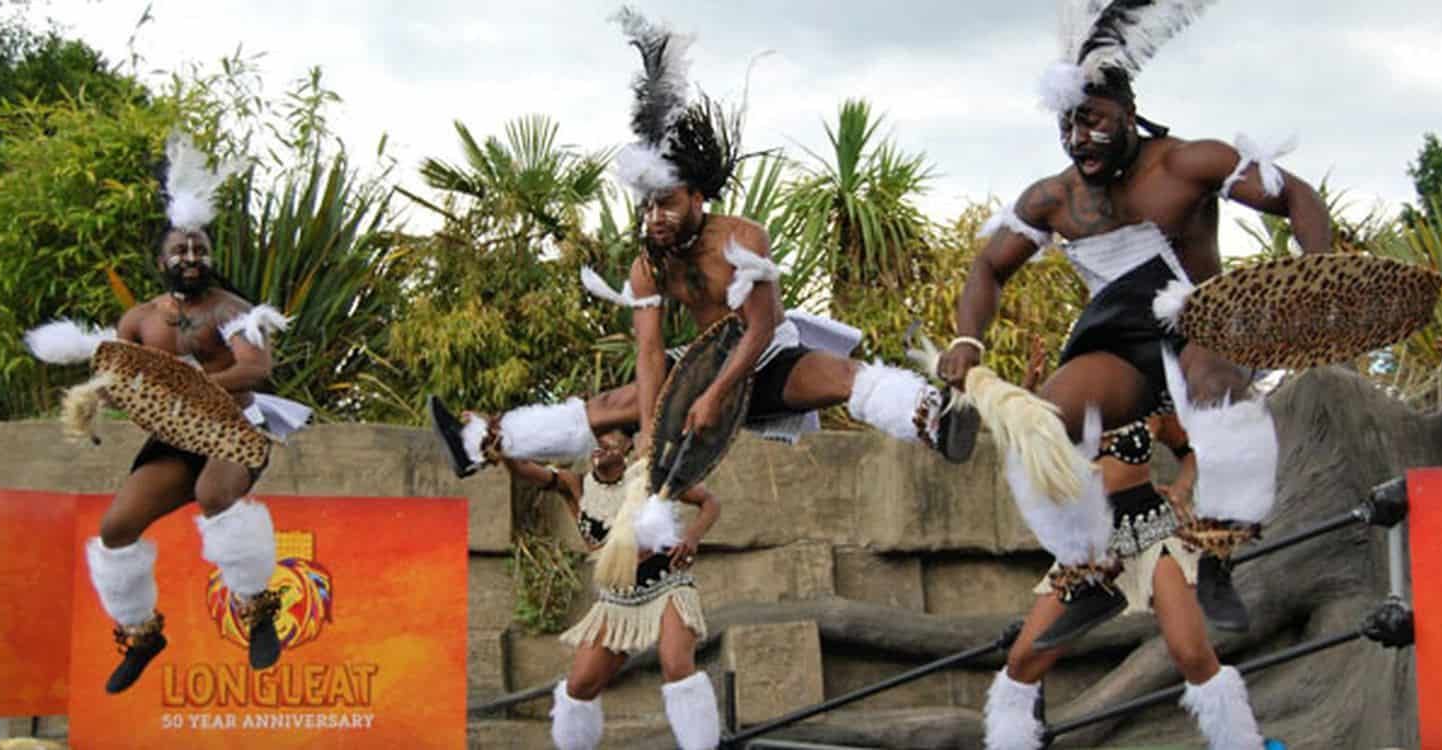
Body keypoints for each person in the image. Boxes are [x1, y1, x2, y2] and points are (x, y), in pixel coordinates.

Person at [938, 0, 1333, 662]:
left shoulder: (1187, 163)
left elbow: (1297, 196)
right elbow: (988, 266)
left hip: (1200, 319)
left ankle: (1216, 555)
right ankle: (1091, 568)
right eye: (1066, 125)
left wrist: (1315, 279)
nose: (1077, 139)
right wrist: (967, 340)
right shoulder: (1054, 199)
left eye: (1091, 121)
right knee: (1040, 422)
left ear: (1126, 111)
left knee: (1210, 384)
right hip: (1119, 337)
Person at [429, 7, 974, 484]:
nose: (655, 216)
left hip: (769, 354)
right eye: (647, 205)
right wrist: (648, 431)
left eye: (666, 202)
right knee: (614, 404)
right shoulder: (651, 265)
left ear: (697, 195)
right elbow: (648, 351)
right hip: (703, 359)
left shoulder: (740, 238)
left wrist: (715, 395)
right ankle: (481, 441)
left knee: (839, 376)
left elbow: (760, 327)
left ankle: (932, 417)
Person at [25, 133, 308, 694]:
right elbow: (122, 375)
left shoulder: (232, 310)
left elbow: (254, 371)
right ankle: (140, 634)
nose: (191, 258)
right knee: (116, 527)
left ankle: (257, 609)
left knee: (215, 495)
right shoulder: (140, 321)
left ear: (211, 258)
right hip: (175, 436)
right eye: (181, 250)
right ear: (162, 260)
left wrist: (194, 384)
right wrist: (95, 397)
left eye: (200, 250)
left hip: (233, 426)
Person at [983, 412, 1273, 750]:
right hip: (1091, 549)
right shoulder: (1062, 402)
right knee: (1023, 660)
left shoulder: (1148, 404)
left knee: (1192, 653)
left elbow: (1191, 451)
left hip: (1154, 534)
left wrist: (1182, 486)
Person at [494, 426, 721, 750]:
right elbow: (525, 469)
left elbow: (709, 502)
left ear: (628, 444)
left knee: (676, 665)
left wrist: (692, 537)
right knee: (580, 686)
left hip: (667, 587)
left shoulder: (650, 478)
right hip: (617, 602)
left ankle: (702, 746)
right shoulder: (575, 485)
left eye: (610, 434)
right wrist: (501, 446)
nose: (600, 442)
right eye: (595, 435)